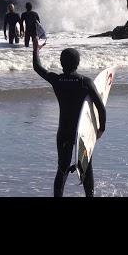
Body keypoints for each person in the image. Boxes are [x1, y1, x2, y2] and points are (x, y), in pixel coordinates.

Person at [33, 43, 106, 197]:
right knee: (86, 166)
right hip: (82, 131)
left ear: (61, 63)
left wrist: (36, 49)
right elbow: (101, 108)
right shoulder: (85, 82)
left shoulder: (57, 80)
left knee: (62, 168)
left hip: (64, 130)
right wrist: (101, 129)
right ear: (78, 63)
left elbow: (38, 68)